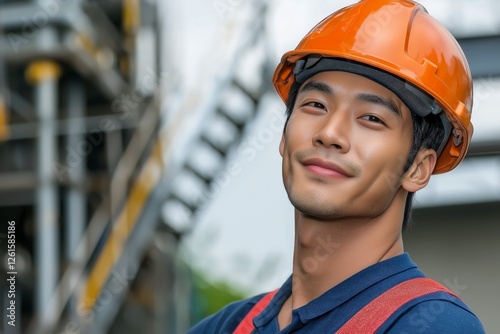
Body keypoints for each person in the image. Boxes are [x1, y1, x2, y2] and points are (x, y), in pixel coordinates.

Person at [189, 0, 485, 332]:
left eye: (371, 118)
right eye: (316, 104)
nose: (330, 134)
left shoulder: (432, 325)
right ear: (284, 137)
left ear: (418, 168)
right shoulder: (224, 327)